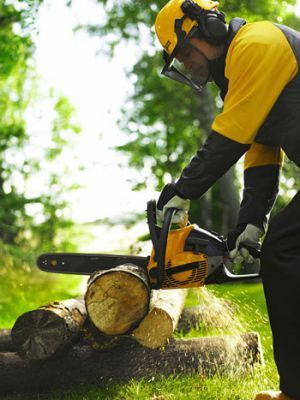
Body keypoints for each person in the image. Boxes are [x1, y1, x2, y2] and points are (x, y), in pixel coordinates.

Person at [154, 0, 300, 399]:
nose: (190, 63)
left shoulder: (258, 43)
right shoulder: (238, 76)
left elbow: (232, 135)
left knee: (285, 252)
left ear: (211, 26)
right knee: (285, 249)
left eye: (186, 51)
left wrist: (181, 191)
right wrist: (252, 221)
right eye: (180, 59)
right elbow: (261, 152)